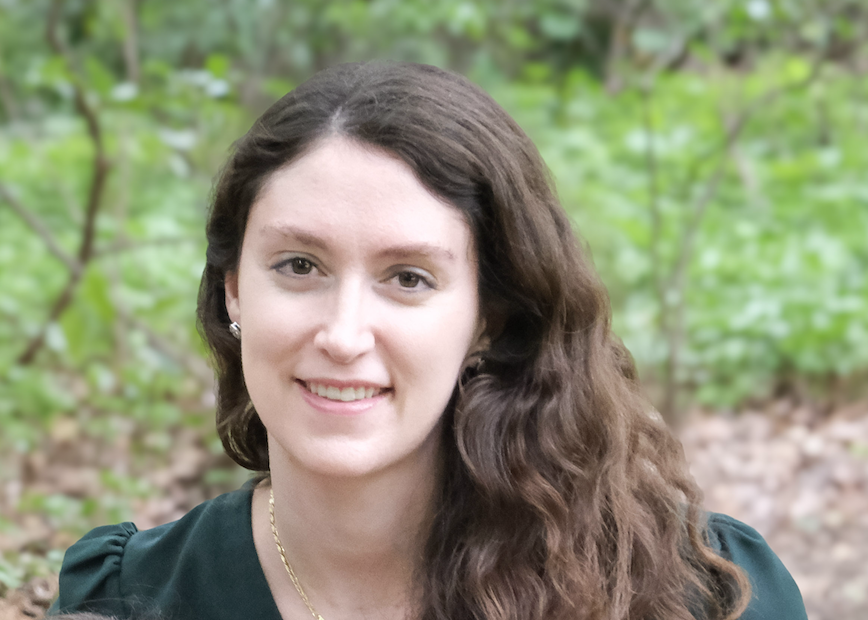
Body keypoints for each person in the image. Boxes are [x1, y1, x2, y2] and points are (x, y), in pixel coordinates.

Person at [49, 61, 807, 620]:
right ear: (233, 288)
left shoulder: (691, 594)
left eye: (407, 278)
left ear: (489, 316)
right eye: (299, 265)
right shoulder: (123, 602)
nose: (343, 334)